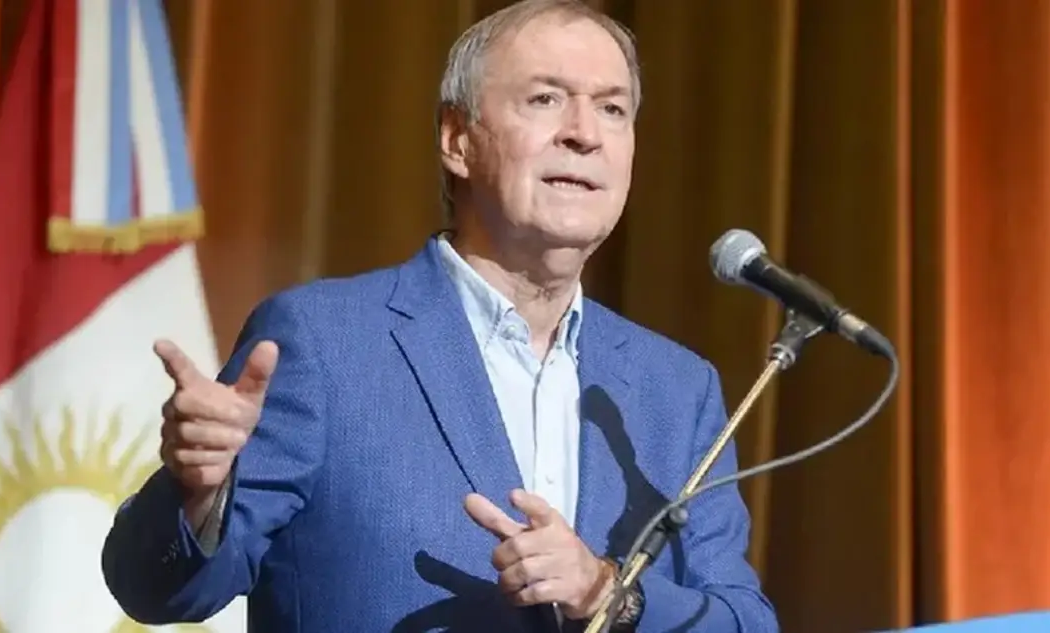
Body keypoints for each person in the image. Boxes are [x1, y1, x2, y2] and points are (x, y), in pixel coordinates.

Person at [101, 0, 779, 631]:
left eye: (612, 108)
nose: (584, 134)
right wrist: (198, 493)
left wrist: (610, 593)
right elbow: (158, 591)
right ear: (457, 139)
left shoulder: (676, 390)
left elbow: (743, 619)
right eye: (545, 99)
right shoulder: (324, 344)